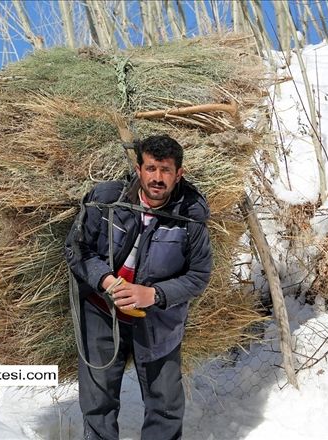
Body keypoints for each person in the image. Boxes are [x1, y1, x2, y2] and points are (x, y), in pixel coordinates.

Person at [64, 135, 212, 440]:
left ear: (178, 174)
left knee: (166, 406)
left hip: (159, 320)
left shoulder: (191, 215)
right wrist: (106, 281)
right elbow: (77, 249)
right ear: (138, 168)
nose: (157, 178)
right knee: (98, 402)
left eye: (166, 170)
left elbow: (198, 275)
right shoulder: (106, 199)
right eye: (151, 168)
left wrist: (154, 295)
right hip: (102, 312)